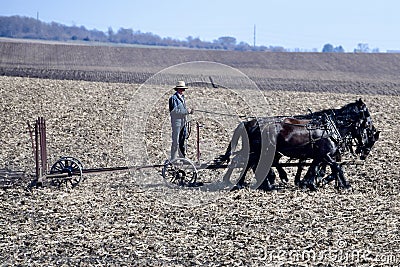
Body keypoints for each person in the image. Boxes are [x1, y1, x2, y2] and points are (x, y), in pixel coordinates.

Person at [169, 81, 193, 160]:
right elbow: (175, 111)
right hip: (177, 123)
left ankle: (182, 158)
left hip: (183, 122)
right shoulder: (173, 98)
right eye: (182, 89)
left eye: (183, 89)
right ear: (178, 89)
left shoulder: (182, 98)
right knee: (176, 141)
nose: (183, 90)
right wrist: (187, 111)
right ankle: (173, 159)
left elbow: (182, 110)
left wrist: (189, 111)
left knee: (182, 141)